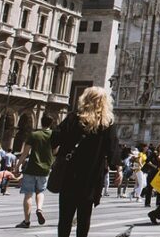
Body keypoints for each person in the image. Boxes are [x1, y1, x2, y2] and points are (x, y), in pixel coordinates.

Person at [52, 86, 122, 237]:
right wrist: (118, 170)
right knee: (84, 217)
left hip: (69, 174)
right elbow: (113, 149)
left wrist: (60, 149)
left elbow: (55, 138)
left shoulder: (73, 118)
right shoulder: (106, 124)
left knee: (65, 217)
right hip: (91, 177)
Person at [15, 114, 55, 228]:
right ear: (51, 123)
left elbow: (25, 153)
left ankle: (26, 221)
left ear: (41, 122)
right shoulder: (53, 135)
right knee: (40, 192)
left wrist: (17, 166)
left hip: (31, 168)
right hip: (45, 168)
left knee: (28, 195)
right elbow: (56, 150)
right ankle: (39, 209)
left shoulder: (34, 135)